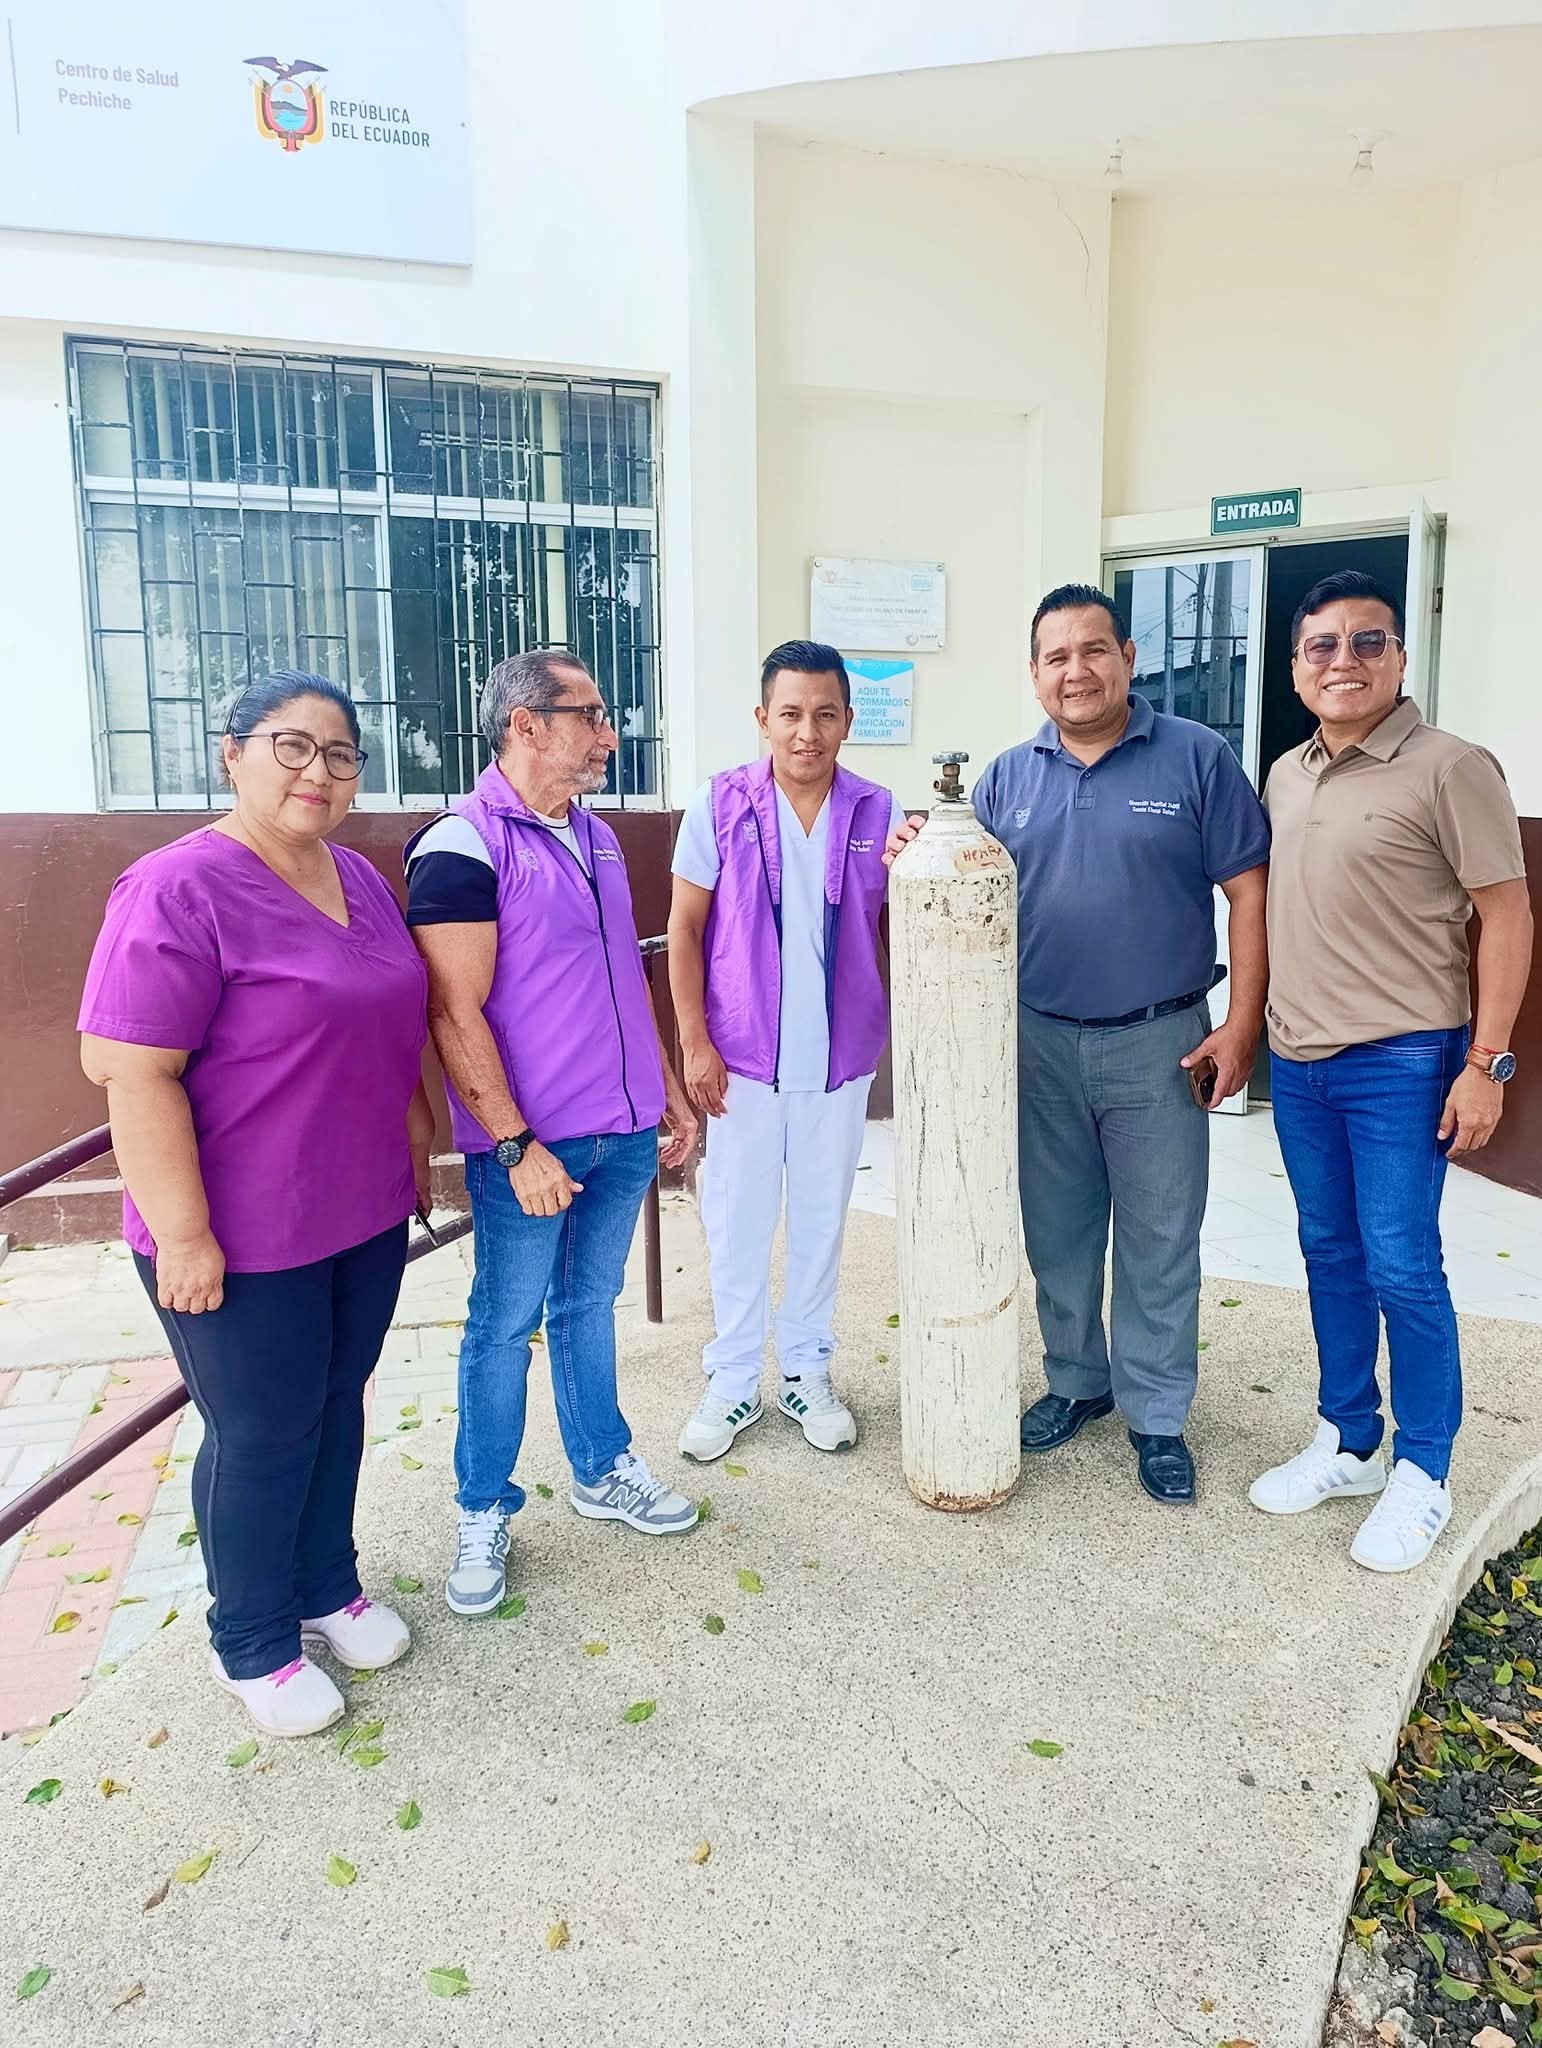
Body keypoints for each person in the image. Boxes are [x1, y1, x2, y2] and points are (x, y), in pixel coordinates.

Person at [78, 673, 434, 1739]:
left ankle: (326, 1585)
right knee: (264, 1431)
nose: (318, 771)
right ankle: (251, 1637)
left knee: (338, 1402)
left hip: (359, 1209)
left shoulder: (358, 877)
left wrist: (413, 1149)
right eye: (292, 745)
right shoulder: (176, 888)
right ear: (231, 753)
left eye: (341, 753)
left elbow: (390, 1024)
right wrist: (182, 1233)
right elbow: (131, 1069)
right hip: (239, 1232)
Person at [886, 585, 1271, 1503]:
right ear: (1034, 674)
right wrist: (914, 845)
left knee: (1160, 1235)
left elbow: (1249, 894)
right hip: (1036, 1044)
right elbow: (964, 882)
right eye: (1056, 657)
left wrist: (1241, 1023)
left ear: (1128, 658)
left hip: (1161, 1043)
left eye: (1094, 650)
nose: (1077, 671)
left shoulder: (1198, 757)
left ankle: (1157, 1414)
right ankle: (1076, 1382)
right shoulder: (1006, 780)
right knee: (1057, 1232)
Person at [406, 649, 700, 1620]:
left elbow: (624, 975)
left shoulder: (599, 836)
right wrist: (512, 1144)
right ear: (526, 723)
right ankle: (482, 1508)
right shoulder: (462, 843)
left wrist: (665, 1092)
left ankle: (602, 1466)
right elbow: (453, 1011)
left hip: (623, 1130)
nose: (609, 734)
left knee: (588, 1306)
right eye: (591, 715)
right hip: (532, 1148)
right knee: (504, 1324)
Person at [1247, 570, 1532, 1572]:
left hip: (1404, 1060)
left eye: (1369, 641)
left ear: (1401, 657)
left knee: (1402, 1261)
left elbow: (1507, 913)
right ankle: (1349, 1438)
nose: (1345, 661)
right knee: (1328, 1250)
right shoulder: (1285, 773)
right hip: (1299, 1059)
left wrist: (1487, 1062)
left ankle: (1425, 1467)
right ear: (1296, 668)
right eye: (1322, 645)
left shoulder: (1451, 767)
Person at [668, 640, 906, 1462]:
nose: (808, 732)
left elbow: (902, 916)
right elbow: (684, 929)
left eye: (825, 714)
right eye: (792, 714)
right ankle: (733, 1380)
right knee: (737, 1221)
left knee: (819, 1218)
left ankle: (806, 1371)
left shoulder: (878, 812)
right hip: (739, 1059)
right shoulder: (719, 804)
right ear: (763, 718)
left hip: (840, 1060)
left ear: (848, 720)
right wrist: (694, 1041)